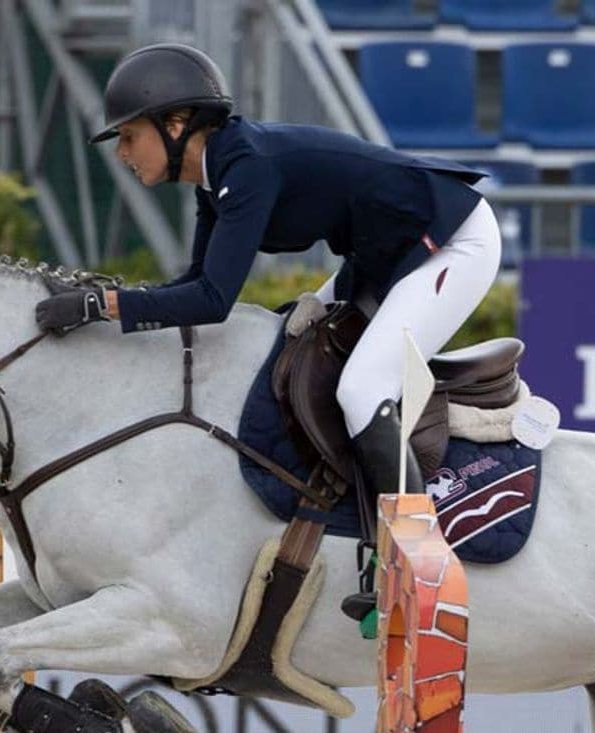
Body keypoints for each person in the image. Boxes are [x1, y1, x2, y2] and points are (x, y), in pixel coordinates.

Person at [35, 43, 502, 514]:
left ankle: (415, 552)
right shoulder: (216, 178)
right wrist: (101, 301)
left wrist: (103, 305)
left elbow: (211, 302)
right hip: (382, 258)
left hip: (451, 241)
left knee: (362, 389)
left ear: (174, 125)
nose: (121, 153)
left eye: (129, 136)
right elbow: (193, 281)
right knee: (286, 349)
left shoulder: (246, 168)